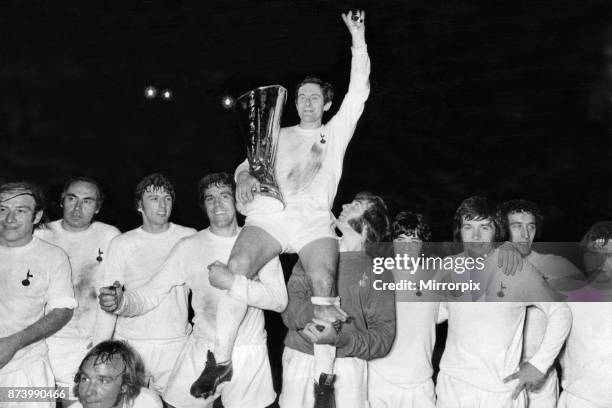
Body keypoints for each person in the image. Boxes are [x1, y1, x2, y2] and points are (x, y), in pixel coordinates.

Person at [205, 10, 371, 402]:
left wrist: (358, 41)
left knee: (324, 287)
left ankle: (324, 379)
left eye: (315, 98)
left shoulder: (335, 131)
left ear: (327, 105)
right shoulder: (276, 134)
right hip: (271, 217)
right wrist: (243, 178)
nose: (307, 103)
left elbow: (359, 91)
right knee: (237, 268)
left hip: (313, 222)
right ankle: (222, 359)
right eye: (301, 97)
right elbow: (247, 164)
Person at [99, 173, 286, 408]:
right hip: (202, 348)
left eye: (225, 195)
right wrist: (121, 302)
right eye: (210, 198)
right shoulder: (190, 246)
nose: (217, 204)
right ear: (203, 206)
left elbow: (279, 300)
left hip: (248, 351)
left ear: (238, 201)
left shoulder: (261, 241)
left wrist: (233, 283)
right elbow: (151, 293)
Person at [435, 196, 571, 408]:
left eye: (485, 227)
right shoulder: (448, 266)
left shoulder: (516, 267)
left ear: (496, 230)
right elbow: (435, 313)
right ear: (459, 231)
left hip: (499, 392)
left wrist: (539, 364)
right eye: (468, 227)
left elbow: (560, 313)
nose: (476, 236)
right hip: (452, 386)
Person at [279, 192, 396, 408]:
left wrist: (341, 340)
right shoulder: (315, 251)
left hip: (348, 369)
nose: (344, 204)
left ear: (370, 223)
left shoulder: (379, 273)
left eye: (356, 204)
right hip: (300, 359)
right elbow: (288, 309)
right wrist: (313, 314)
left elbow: (383, 338)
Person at [94, 173, 196, 394]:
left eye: (167, 198)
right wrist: (99, 349)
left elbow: (206, 295)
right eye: (154, 198)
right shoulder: (122, 243)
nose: (162, 205)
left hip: (176, 343)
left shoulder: (190, 238)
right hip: (131, 344)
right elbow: (110, 299)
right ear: (139, 205)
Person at [35, 177, 120, 405]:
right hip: (40, 344)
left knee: (77, 403)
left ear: (98, 207)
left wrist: (100, 343)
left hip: (84, 344)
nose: (78, 207)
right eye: (72, 198)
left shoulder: (110, 236)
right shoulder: (41, 234)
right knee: (28, 398)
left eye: (87, 201)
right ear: (62, 200)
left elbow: (112, 296)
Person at [498, 199, 583, 408]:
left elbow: (590, 313)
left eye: (531, 226)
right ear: (503, 229)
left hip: (540, 379)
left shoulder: (556, 265)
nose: (525, 235)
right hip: (501, 378)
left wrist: (544, 364)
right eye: (517, 226)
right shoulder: (491, 267)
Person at [0, 182, 76, 408]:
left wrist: (13, 343)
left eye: (21, 210)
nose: (9, 218)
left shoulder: (52, 257)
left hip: (26, 370)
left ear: (36, 216)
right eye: (2, 209)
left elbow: (62, 311)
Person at [367, 211, 439, 408]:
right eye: (401, 239)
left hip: (420, 383)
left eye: (414, 240)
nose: (407, 247)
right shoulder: (376, 276)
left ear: (423, 244)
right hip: (378, 380)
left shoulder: (437, 278)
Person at [558, 222, 612, 408]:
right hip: (578, 401)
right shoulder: (567, 298)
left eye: (608, 255)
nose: (599, 262)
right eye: (593, 254)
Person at [72, 340, 162, 408]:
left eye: (103, 381)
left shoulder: (146, 402)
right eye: (85, 379)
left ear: (125, 386)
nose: (88, 392)